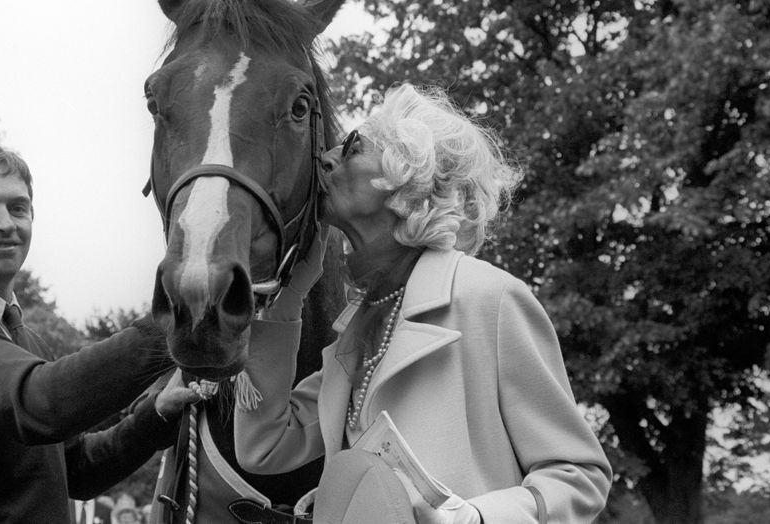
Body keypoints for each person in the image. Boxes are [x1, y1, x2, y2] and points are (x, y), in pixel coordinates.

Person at [234, 84, 612, 523]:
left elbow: (580, 475)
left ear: (409, 173)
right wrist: (287, 300)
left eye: (353, 147)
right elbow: (265, 445)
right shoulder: (357, 330)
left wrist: (474, 518)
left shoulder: (488, 297)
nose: (327, 158)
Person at [0, 144, 199, 523]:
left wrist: (156, 415)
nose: (5, 223)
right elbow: (43, 405)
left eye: (18, 208)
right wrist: (177, 317)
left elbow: (79, 471)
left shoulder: (26, 342)